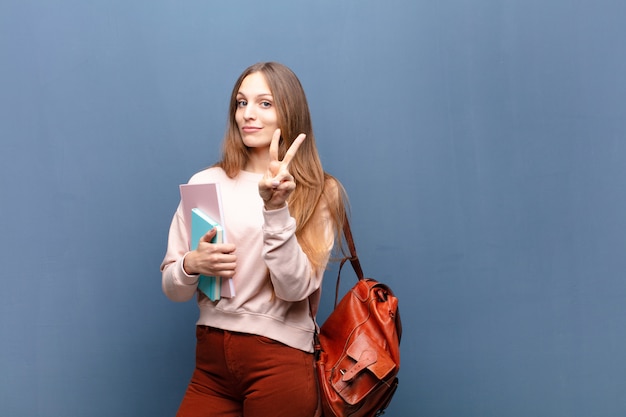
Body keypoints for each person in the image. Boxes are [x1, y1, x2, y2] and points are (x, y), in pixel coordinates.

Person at [161, 62, 347, 417]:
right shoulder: (206, 181)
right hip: (211, 361)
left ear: (289, 113)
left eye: (265, 103)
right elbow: (173, 289)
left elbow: (295, 290)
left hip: (280, 361)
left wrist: (276, 208)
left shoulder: (319, 191)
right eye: (241, 102)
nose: (248, 114)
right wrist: (190, 265)